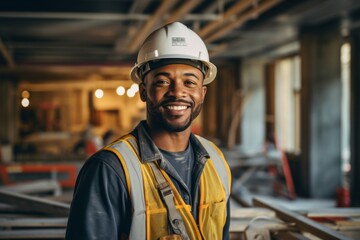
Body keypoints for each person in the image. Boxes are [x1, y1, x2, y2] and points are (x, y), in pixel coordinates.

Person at [66, 22, 232, 240]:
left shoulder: (217, 162)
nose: (177, 92)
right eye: (163, 81)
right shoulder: (109, 169)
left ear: (202, 93)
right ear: (143, 91)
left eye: (189, 82)